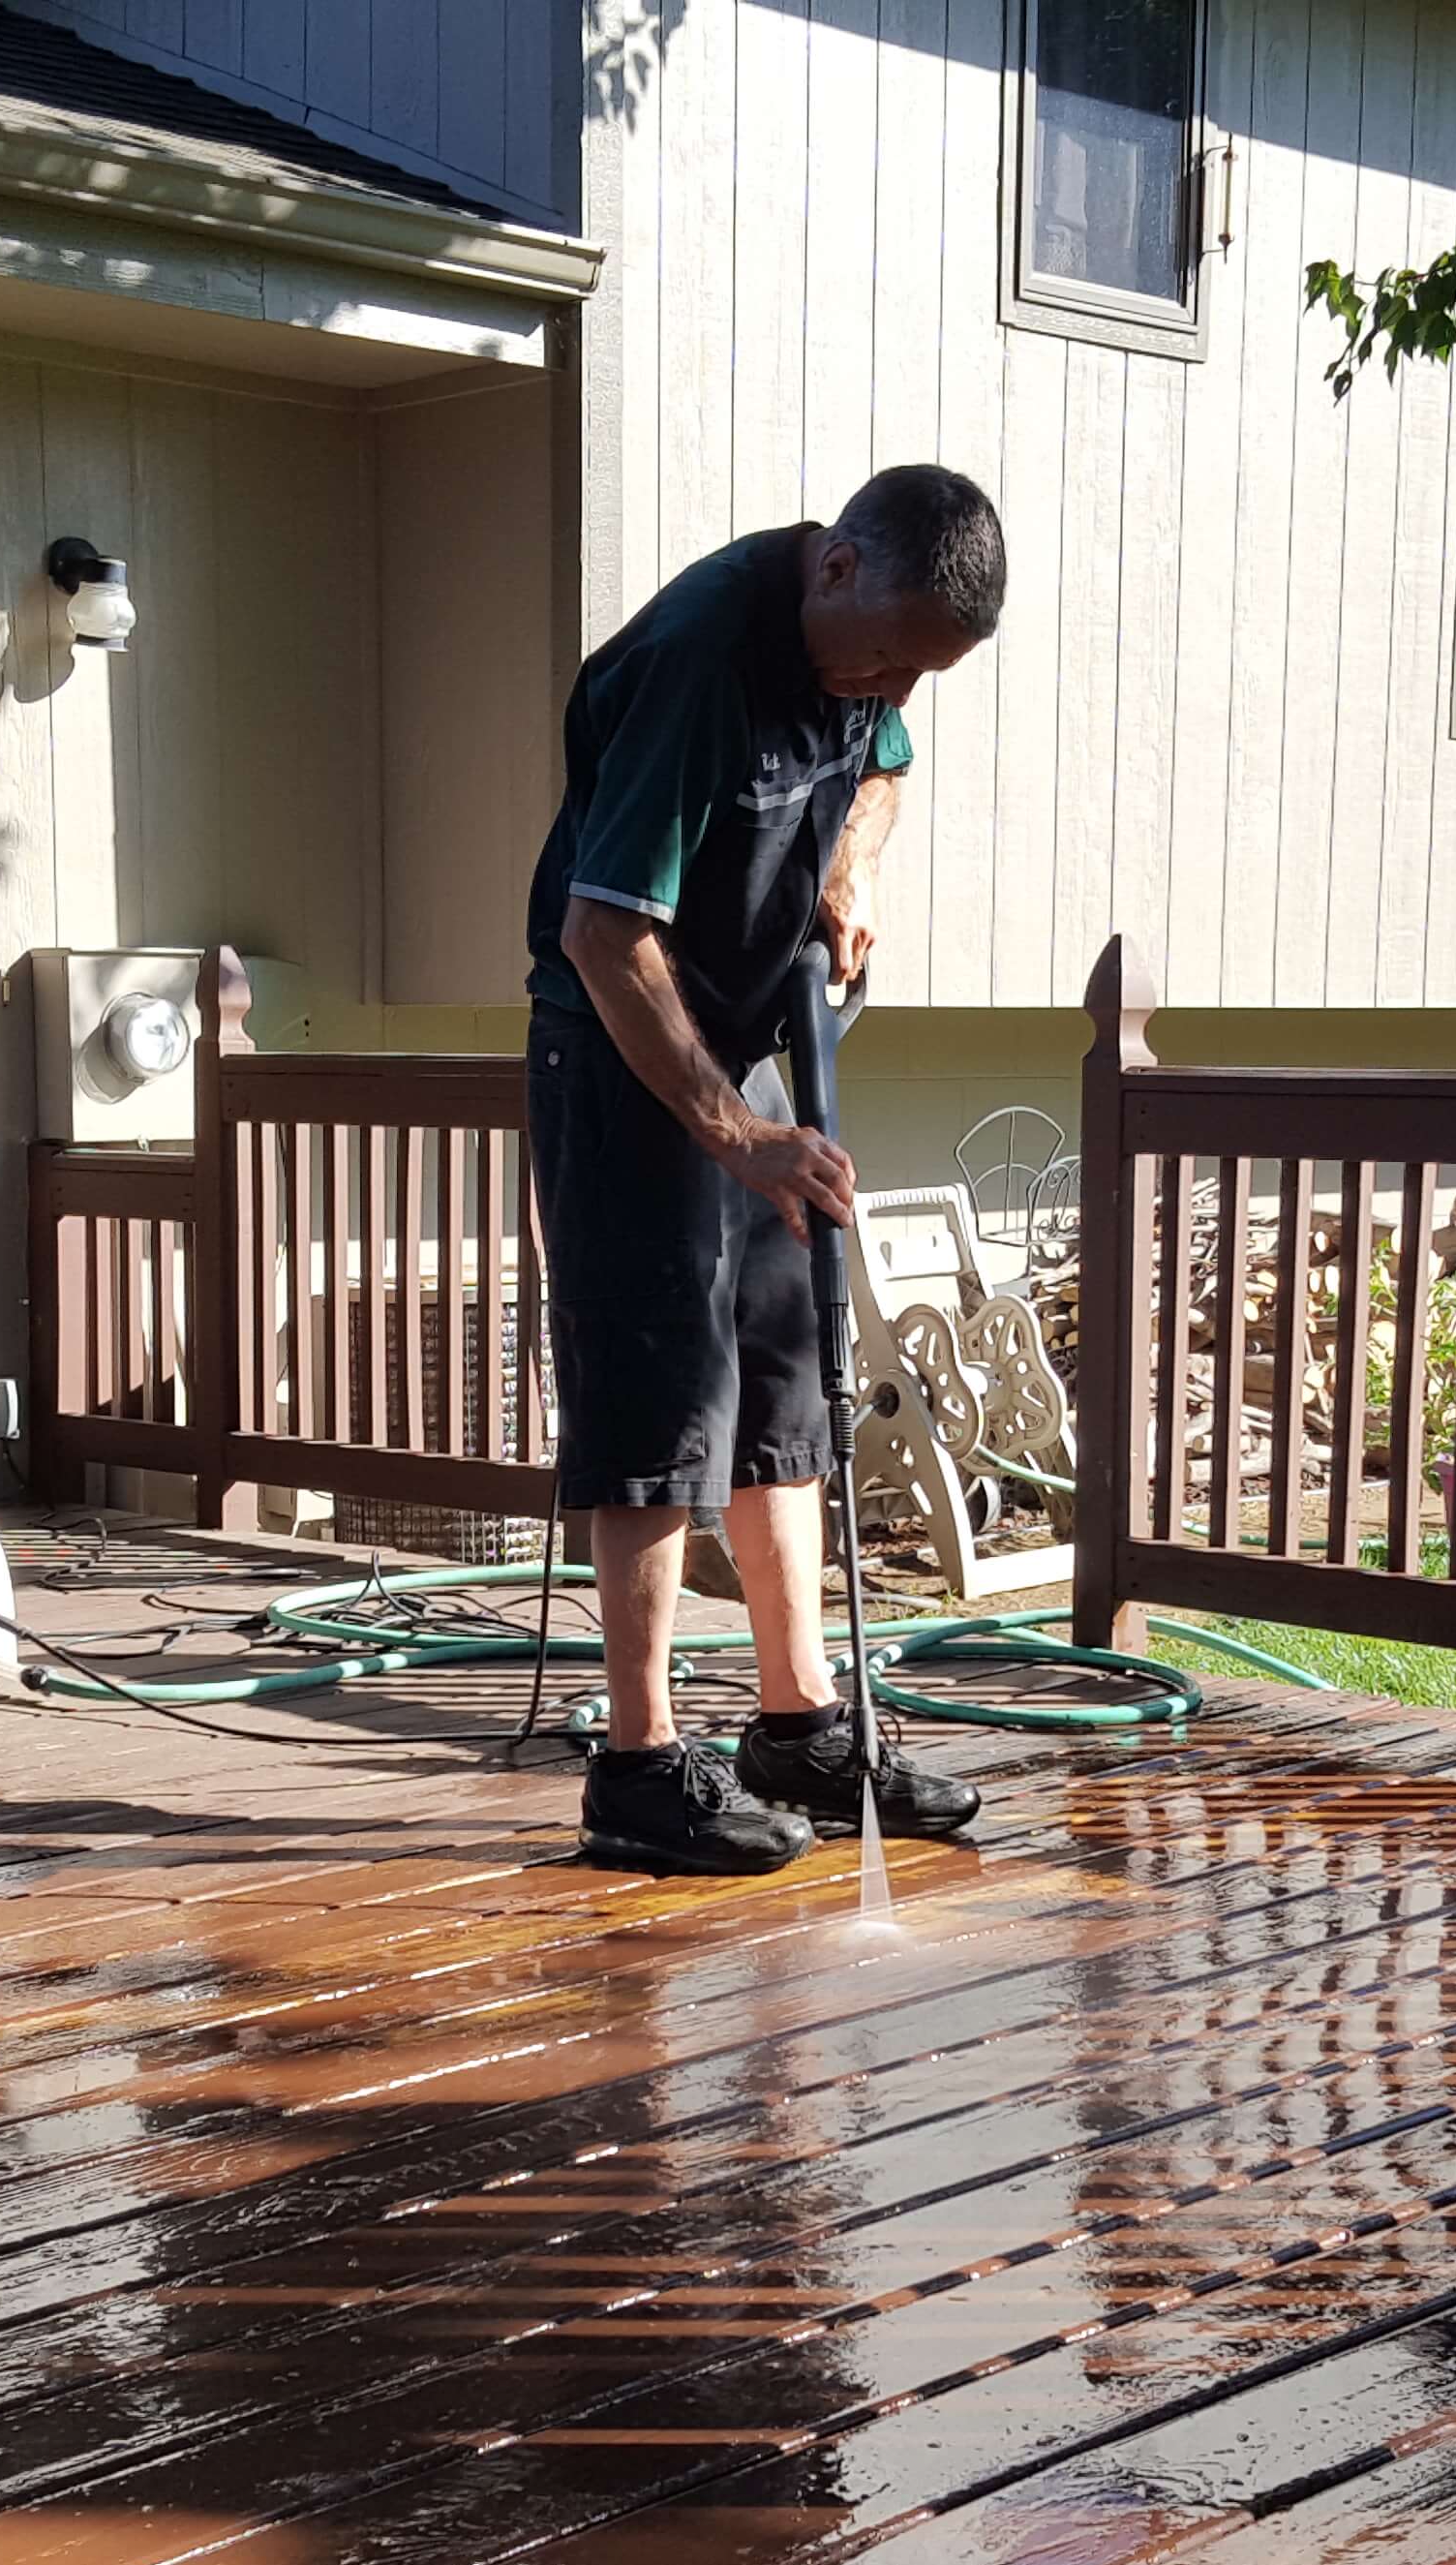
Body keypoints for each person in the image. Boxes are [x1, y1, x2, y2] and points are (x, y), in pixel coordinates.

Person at [527, 465, 1007, 1874]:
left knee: (784, 1385)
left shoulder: (873, 650)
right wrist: (735, 1133)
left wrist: (851, 867)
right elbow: (602, 934)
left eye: (918, 674)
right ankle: (637, 1769)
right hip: (625, 1054)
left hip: (743, 1059)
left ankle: (799, 1726)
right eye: (884, 658)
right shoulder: (702, 659)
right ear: (836, 564)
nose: (887, 689)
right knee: (659, 1399)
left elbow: (885, 770)